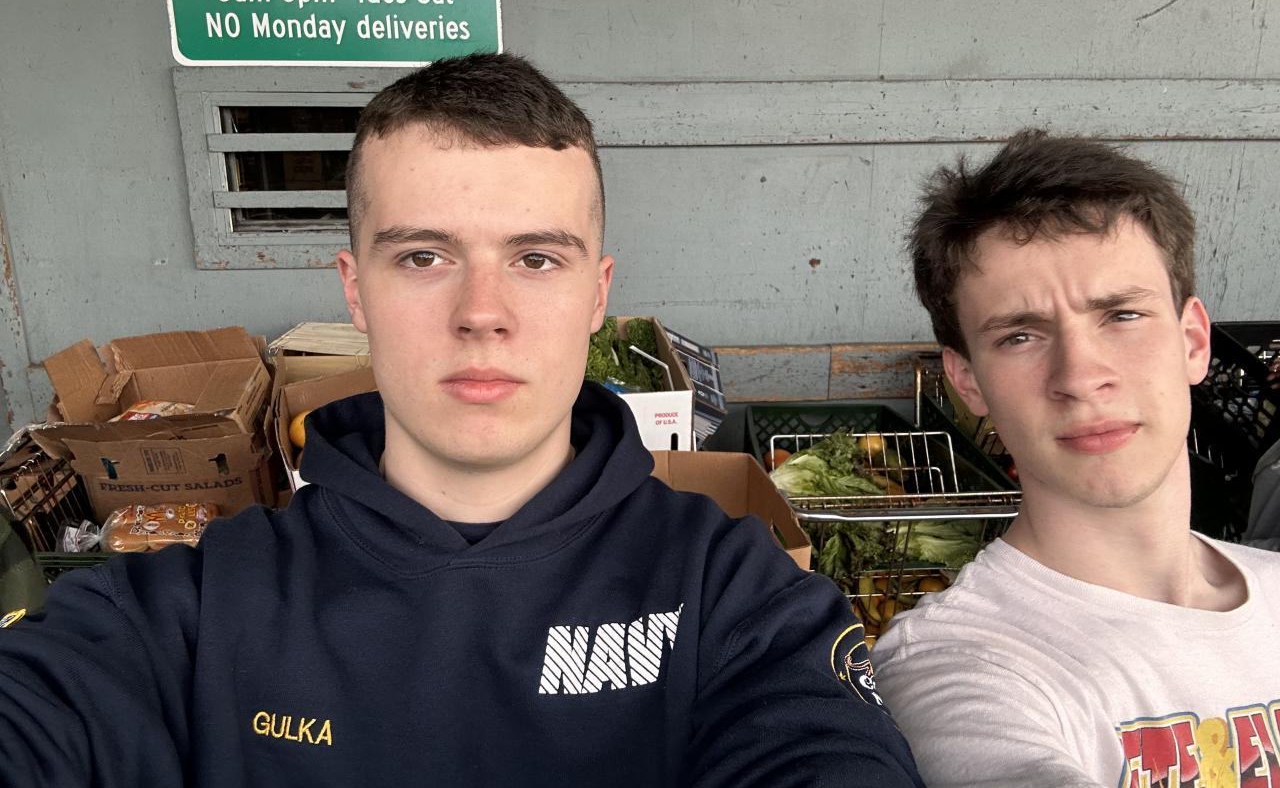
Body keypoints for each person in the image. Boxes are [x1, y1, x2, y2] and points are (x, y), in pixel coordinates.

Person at [0, 52, 923, 787]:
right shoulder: (190, 616)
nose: (482, 312)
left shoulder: (736, 597)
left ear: (597, 294)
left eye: (536, 259)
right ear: (354, 290)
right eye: (423, 257)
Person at [872, 128, 1280, 788]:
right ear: (968, 381)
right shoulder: (956, 666)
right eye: (1020, 335)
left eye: (1121, 315)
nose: (1081, 376)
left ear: (1193, 342)